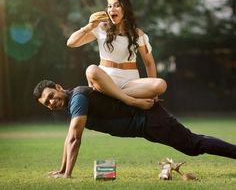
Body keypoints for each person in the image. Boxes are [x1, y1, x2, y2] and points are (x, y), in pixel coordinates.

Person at [33, 80, 236, 178]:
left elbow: (75, 139)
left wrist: (67, 174)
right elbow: (69, 137)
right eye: (47, 103)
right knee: (192, 145)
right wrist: (61, 169)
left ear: (58, 87)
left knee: (193, 144)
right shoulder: (74, 102)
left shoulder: (77, 99)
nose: (51, 102)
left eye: (51, 95)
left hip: (150, 120)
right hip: (147, 126)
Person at [67, 0, 167, 110]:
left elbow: (149, 63)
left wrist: (154, 93)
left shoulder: (138, 34)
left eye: (117, 5)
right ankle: (130, 100)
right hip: (106, 79)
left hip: (130, 84)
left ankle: (109, 95)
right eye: (109, 6)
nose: (111, 9)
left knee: (160, 85)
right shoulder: (100, 28)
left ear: (125, 9)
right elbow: (71, 43)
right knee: (91, 70)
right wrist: (89, 26)